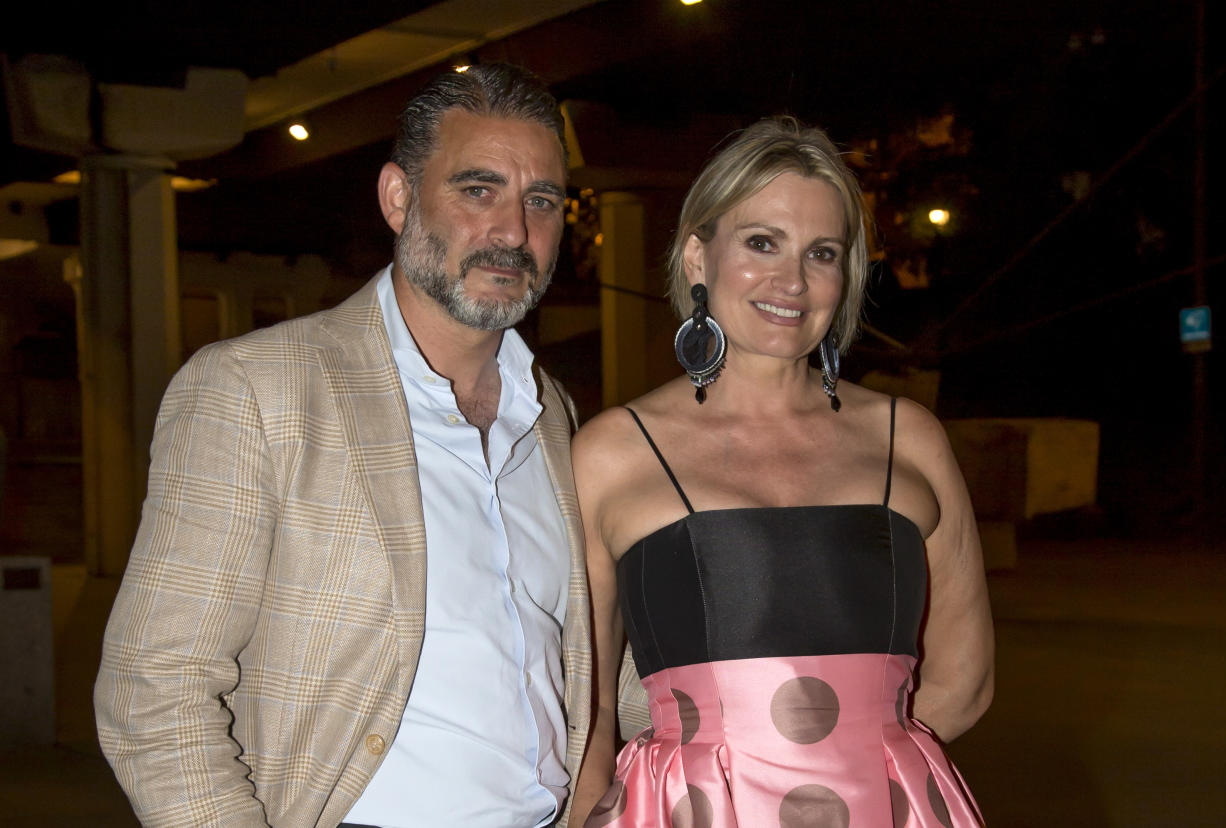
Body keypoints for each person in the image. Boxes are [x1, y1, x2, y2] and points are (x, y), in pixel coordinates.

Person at [95, 63, 613, 828]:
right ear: (398, 198)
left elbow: (583, 655)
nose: (513, 231)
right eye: (478, 191)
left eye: (540, 201)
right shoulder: (257, 390)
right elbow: (154, 687)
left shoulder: (553, 414)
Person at [569, 117, 994, 827]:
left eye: (821, 253)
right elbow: (584, 703)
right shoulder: (612, 452)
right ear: (698, 258)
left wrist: (847, 779)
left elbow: (965, 680)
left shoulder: (908, 439)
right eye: (762, 242)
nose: (792, 280)